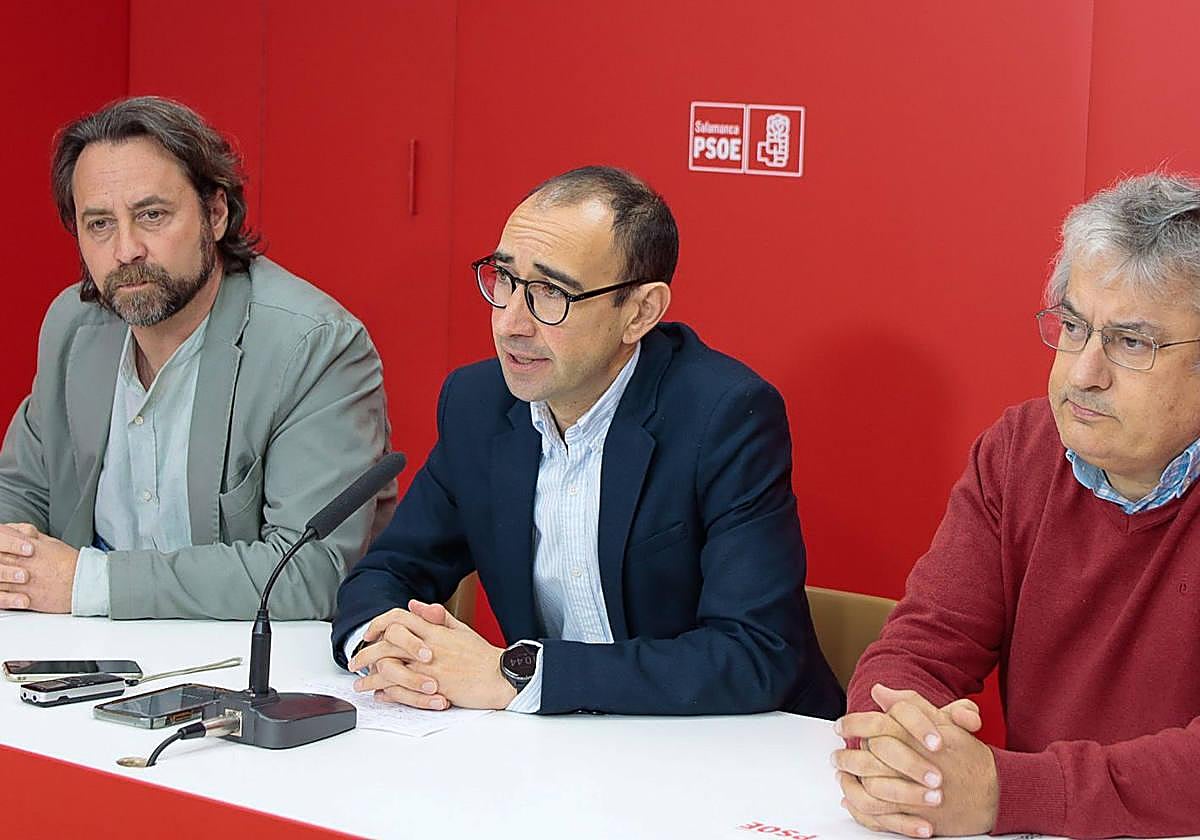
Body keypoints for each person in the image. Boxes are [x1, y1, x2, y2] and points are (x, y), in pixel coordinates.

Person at [332, 165, 843, 717]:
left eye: (551, 292)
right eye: (503, 280)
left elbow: (753, 653)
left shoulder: (723, 416)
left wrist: (516, 674)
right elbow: (387, 574)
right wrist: (386, 647)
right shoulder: (479, 404)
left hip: (729, 747)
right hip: (564, 750)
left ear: (641, 312)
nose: (510, 324)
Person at [833, 172, 1200, 838]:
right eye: (1073, 326)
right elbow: (916, 652)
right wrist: (900, 744)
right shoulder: (1021, 449)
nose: (1084, 371)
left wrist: (1010, 792)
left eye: (1132, 342)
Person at [0, 96, 391, 620]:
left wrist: (88, 584)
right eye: (100, 225)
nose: (126, 249)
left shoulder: (314, 346)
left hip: (252, 671)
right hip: (85, 655)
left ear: (216, 213)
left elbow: (308, 574)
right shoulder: (73, 326)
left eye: (152, 215)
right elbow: (19, 491)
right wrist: (18, 562)